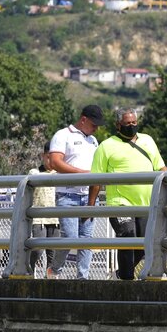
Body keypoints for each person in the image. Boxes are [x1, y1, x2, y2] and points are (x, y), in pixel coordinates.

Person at [88, 108, 167, 280]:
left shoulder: (148, 140)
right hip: (120, 203)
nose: (131, 126)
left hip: (145, 204)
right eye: (127, 123)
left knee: (145, 244)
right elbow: (96, 180)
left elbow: (160, 166)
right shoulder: (106, 146)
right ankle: (126, 281)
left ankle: (120, 274)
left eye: (134, 123)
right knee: (127, 237)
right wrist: (90, 207)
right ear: (118, 125)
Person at [46, 104, 103, 279]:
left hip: (90, 195)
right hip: (67, 194)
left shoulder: (93, 141)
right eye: (94, 124)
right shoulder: (63, 135)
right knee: (70, 237)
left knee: (86, 239)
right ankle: (55, 269)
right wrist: (84, 175)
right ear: (83, 119)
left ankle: (82, 278)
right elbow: (55, 162)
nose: (96, 128)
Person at [28, 142, 60, 277]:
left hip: (55, 218)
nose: (50, 160)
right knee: (37, 250)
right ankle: (29, 270)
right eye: (48, 157)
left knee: (53, 253)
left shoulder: (60, 174)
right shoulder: (34, 172)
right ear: (43, 156)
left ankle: (50, 278)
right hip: (39, 217)